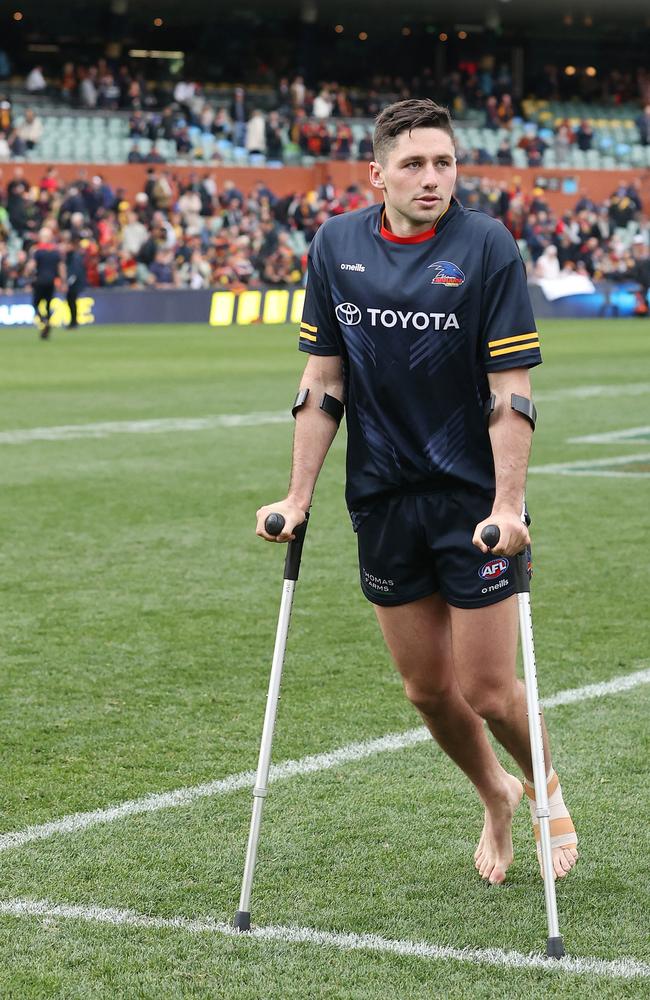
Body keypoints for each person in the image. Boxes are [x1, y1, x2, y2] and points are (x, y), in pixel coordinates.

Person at [255, 98, 578, 886]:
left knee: (490, 691)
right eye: (413, 164)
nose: (432, 178)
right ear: (378, 174)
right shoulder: (336, 244)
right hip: (383, 498)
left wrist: (508, 505)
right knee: (428, 691)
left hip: (472, 503)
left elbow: (512, 391)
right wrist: (297, 497)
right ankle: (495, 797)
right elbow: (323, 380)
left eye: (444, 163)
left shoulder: (485, 245)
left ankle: (544, 786)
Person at [26, 226, 66, 339]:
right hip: (51, 282)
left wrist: (27, 275)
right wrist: (63, 282)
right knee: (48, 305)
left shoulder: (38, 251)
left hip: (40, 281)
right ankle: (47, 321)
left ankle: (43, 319)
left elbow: (31, 266)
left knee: (35, 303)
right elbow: (61, 267)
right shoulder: (55, 252)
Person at [63, 234, 86, 328]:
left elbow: (75, 272)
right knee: (71, 302)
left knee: (72, 302)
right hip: (72, 283)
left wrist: (68, 283)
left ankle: (74, 322)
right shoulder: (69, 256)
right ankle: (73, 321)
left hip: (74, 284)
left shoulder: (75, 257)